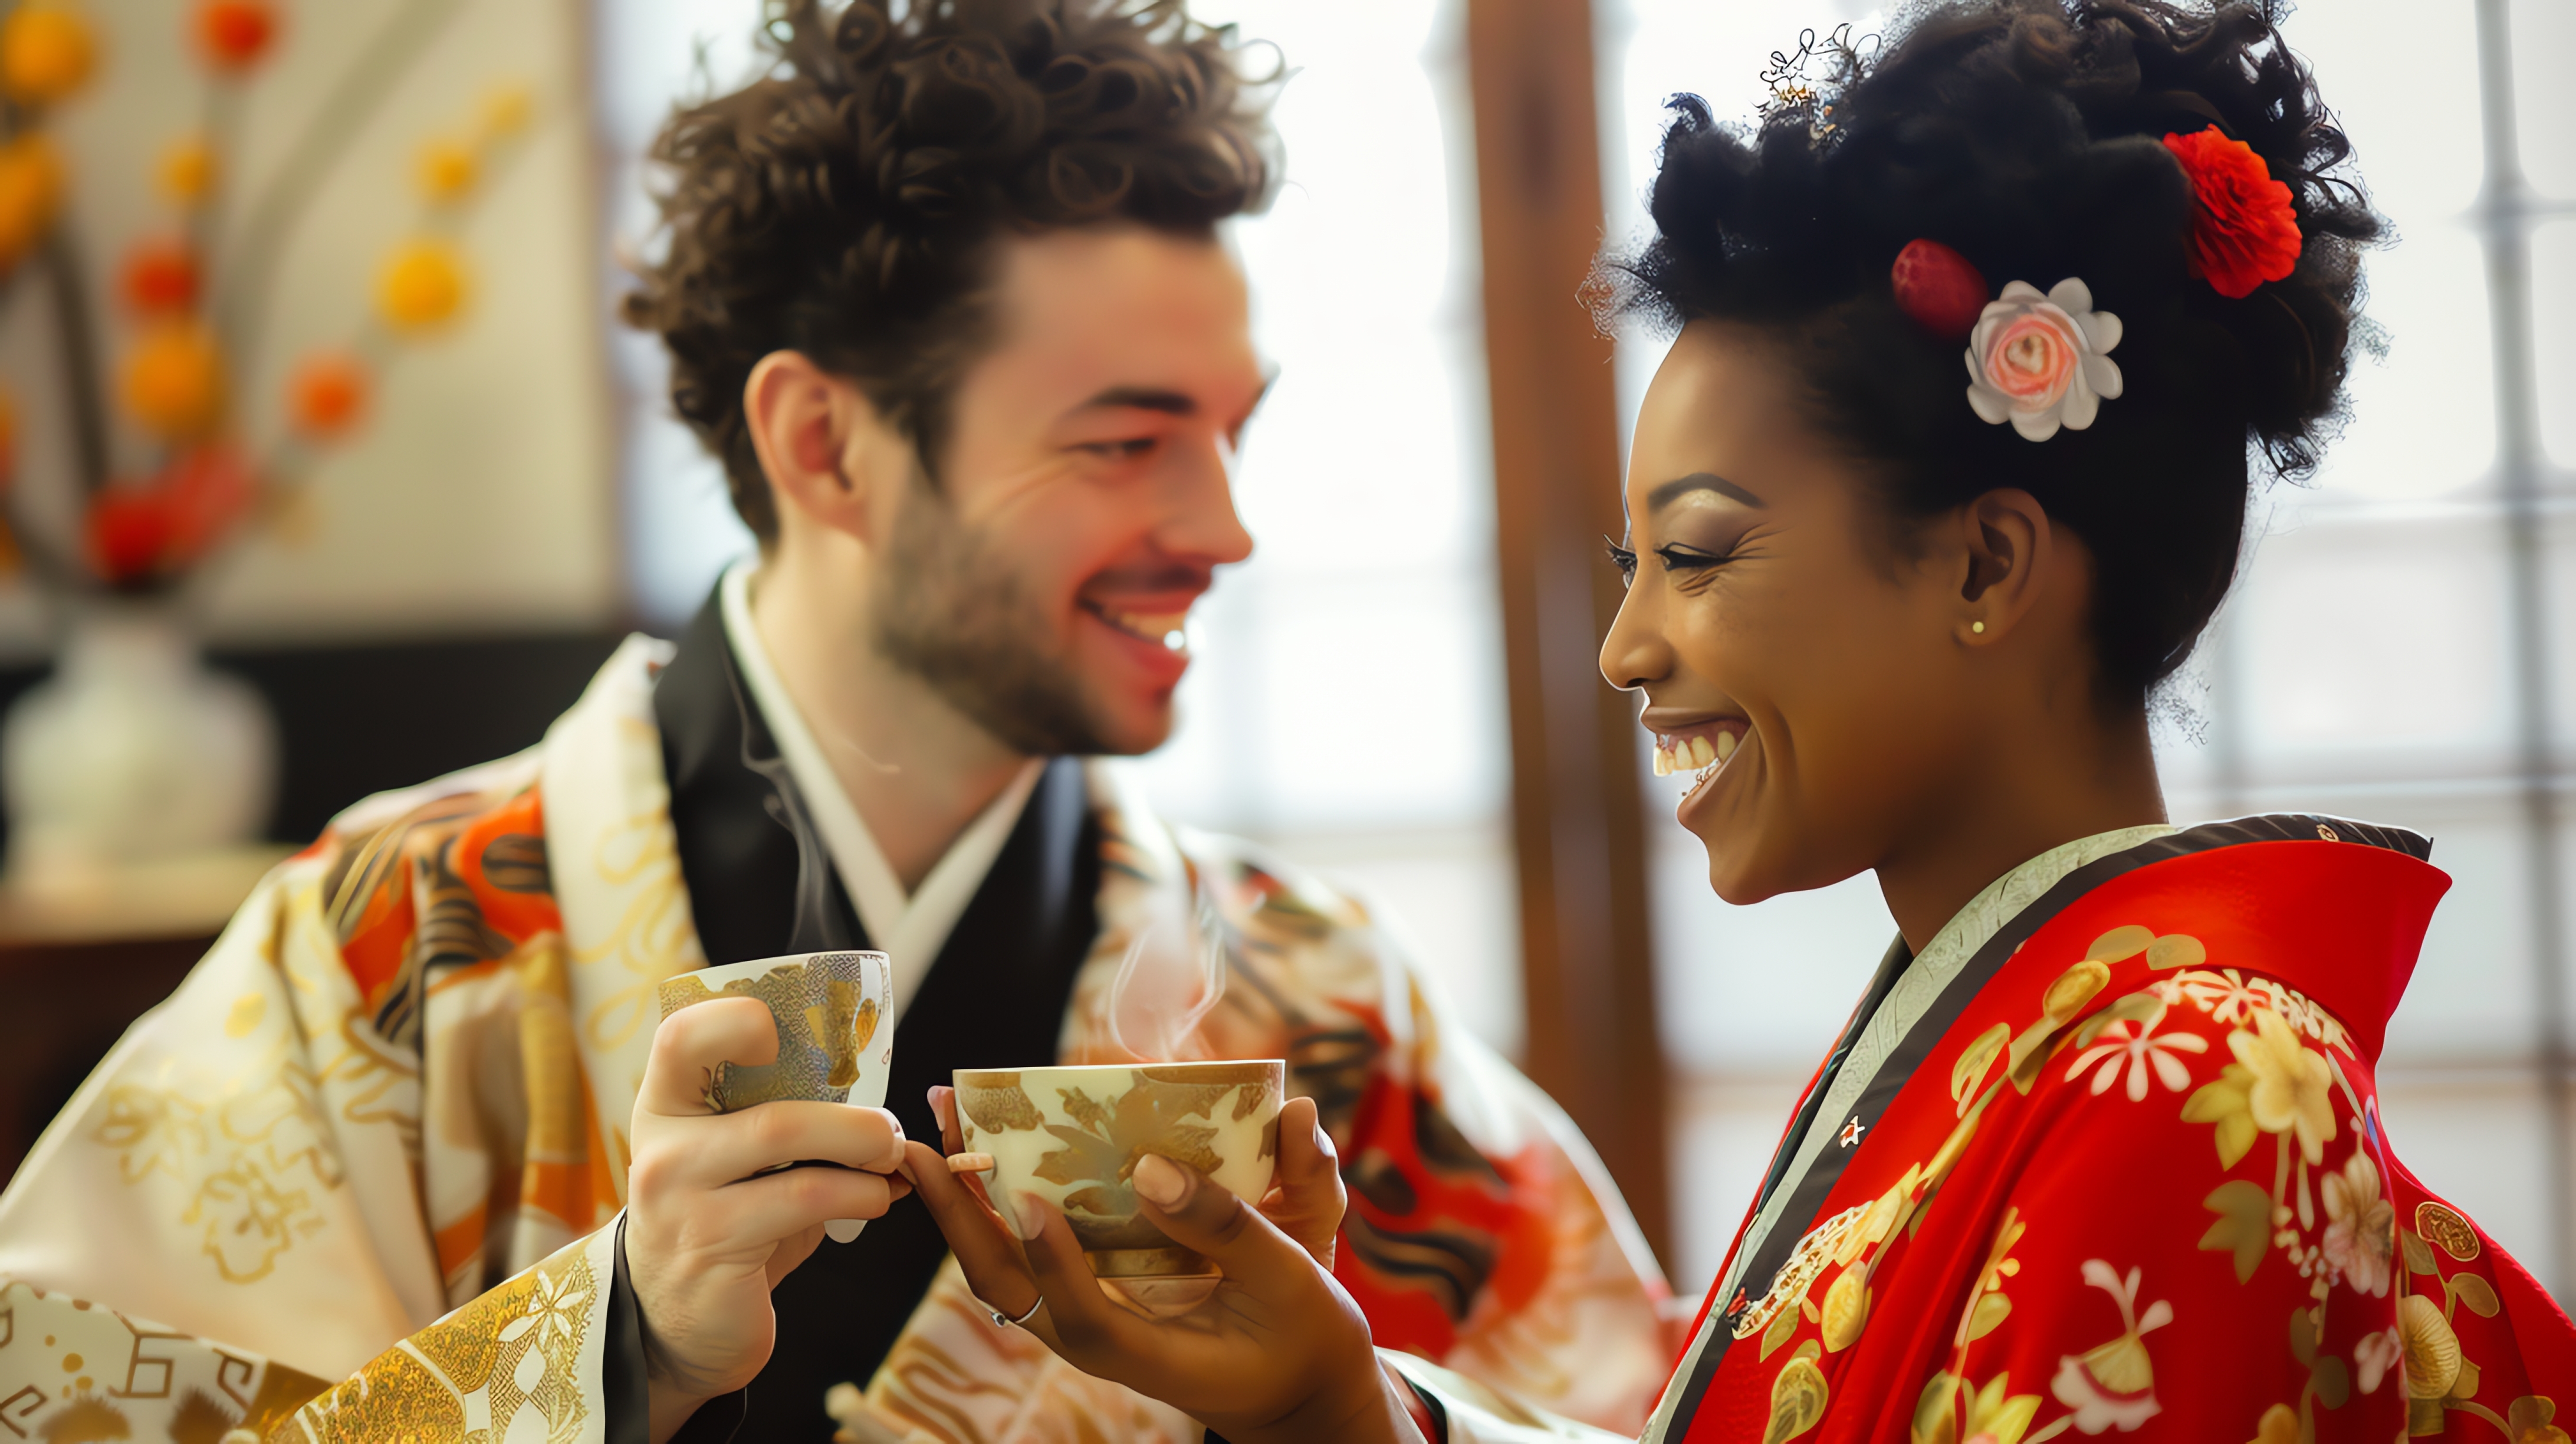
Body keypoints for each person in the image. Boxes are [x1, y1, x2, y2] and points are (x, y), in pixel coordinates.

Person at [902, 1, 2576, 1439]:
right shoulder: (2017, 1040)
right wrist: (1339, 1403)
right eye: (1635, 566)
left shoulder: (2183, 1076)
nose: (1628, 647)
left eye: (1696, 555)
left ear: (1989, 560)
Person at [0, 2, 1674, 1441]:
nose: (1226, 528)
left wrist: (1339, 1418)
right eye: (1124, 441)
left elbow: (1637, 1405)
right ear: (823, 445)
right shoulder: (398, 952)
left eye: (1234, 432)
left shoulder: (1315, 1006)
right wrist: (611, 1348)